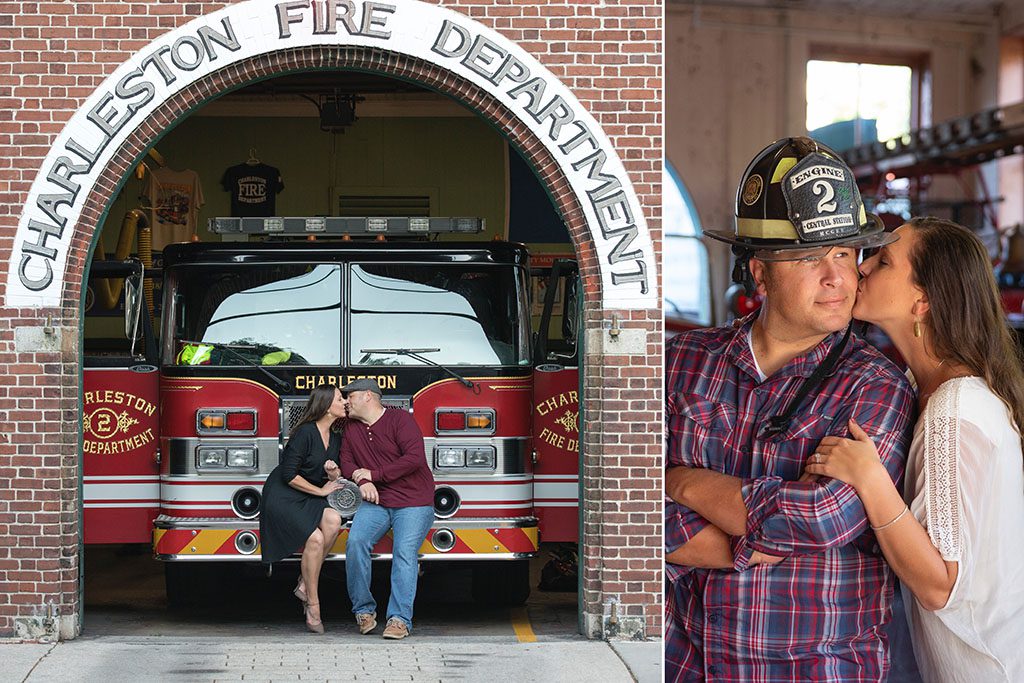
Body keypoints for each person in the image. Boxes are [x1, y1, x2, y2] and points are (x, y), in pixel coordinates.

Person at [664, 136, 916, 681]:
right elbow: (621, 491)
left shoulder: (876, 386)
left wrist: (681, 483)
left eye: (845, 254)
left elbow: (823, 517)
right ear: (759, 272)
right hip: (684, 662)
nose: (837, 278)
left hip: (815, 666)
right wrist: (730, 542)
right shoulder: (680, 362)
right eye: (809, 257)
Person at [803, 217, 1024, 682]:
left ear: (921, 301)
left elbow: (939, 584)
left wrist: (869, 479)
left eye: (883, 262)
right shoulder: (918, 387)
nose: (861, 270)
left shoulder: (953, 408)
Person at [339, 378, 435, 640]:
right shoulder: (351, 427)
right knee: (355, 542)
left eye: (351, 396)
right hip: (377, 502)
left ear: (369, 396)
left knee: (404, 551)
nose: (346, 401)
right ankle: (363, 611)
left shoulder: (400, 419)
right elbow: (346, 461)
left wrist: (374, 474)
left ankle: (399, 620)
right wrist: (362, 479)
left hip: (414, 501)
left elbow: (414, 459)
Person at [259, 384, 346, 634]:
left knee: (333, 520)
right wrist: (321, 491)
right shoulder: (305, 433)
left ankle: (304, 584)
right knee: (316, 538)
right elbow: (288, 475)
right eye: (341, 399)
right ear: (328, 405)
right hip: (284, 495)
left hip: (309, 495)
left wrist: (333, 474)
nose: (345, 403)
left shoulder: (336, 437)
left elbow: (330, 476)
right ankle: (313, 604)